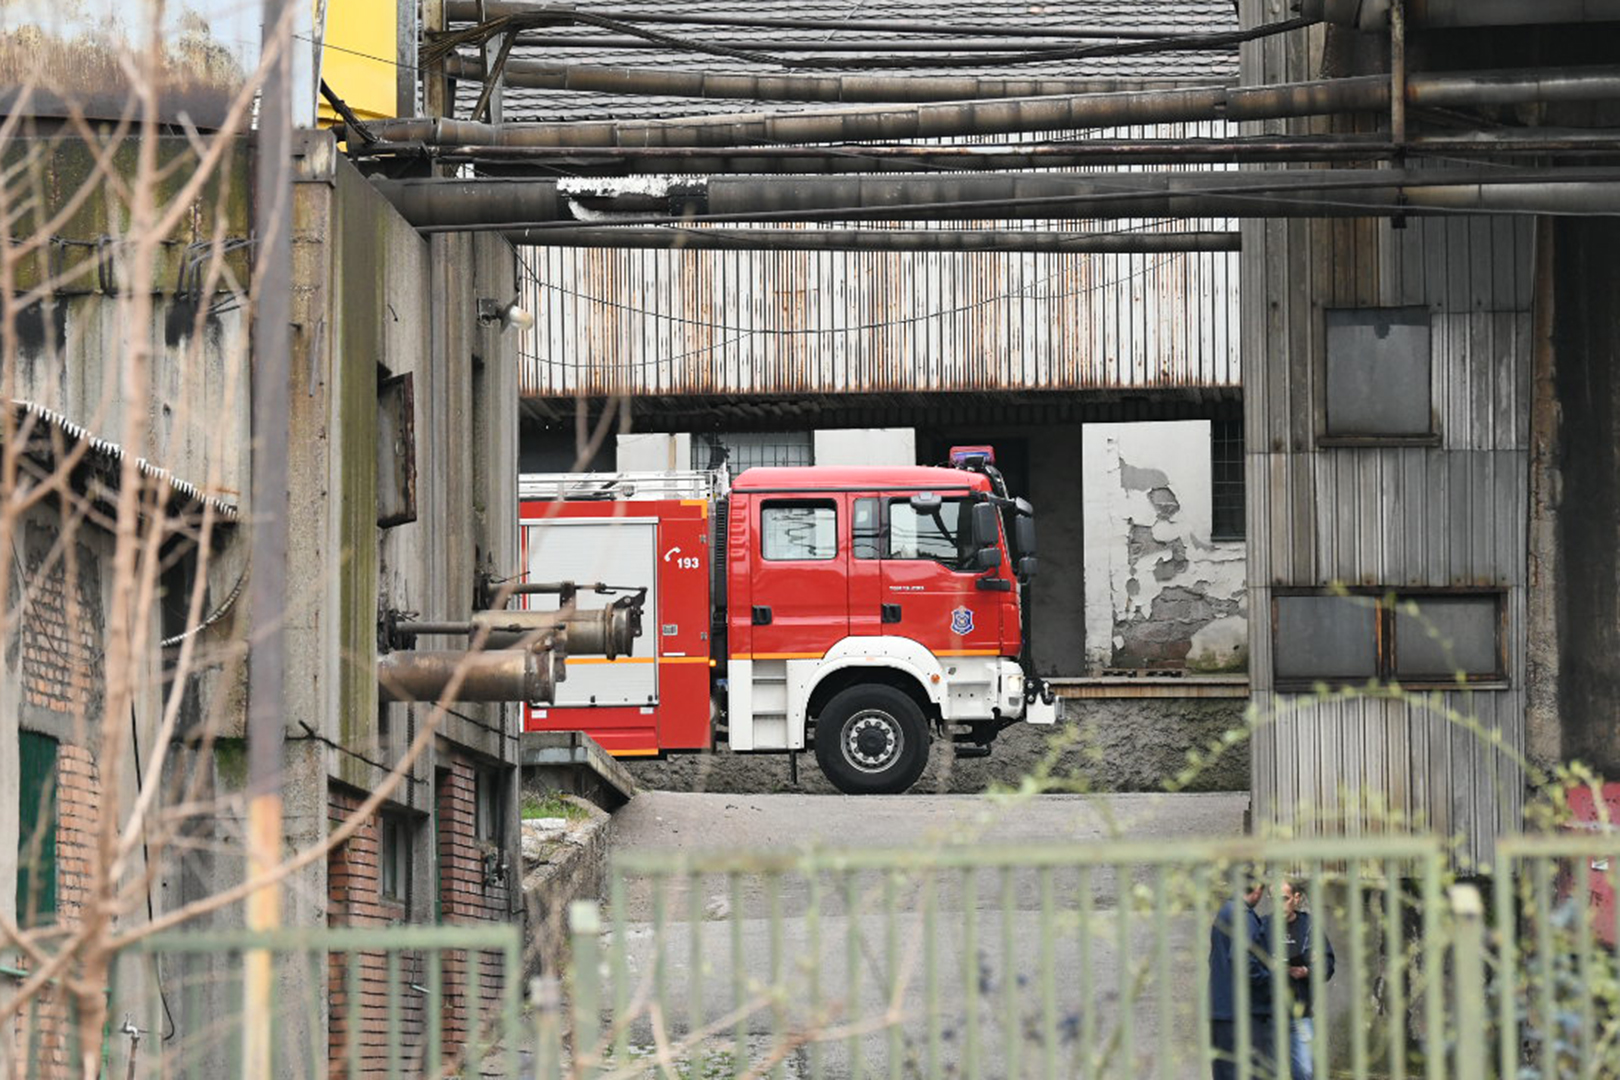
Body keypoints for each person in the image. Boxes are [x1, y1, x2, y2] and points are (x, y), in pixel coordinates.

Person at [1263, 879, 1336, 1080]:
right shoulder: (1263, 926)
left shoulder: (1309, 927)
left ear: (1296, 898)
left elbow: (1328, 965)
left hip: (1300, 1013)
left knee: (1306, 1071)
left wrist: (1307, 970)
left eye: (1284, 899)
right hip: (1268, 1013)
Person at [1208, 878, 1275, 1080]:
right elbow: (1243, 959)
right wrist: (1270, 977)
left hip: (1220, 1010)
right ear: (1256, 889)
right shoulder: (1244, 917)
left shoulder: (1225, 911)